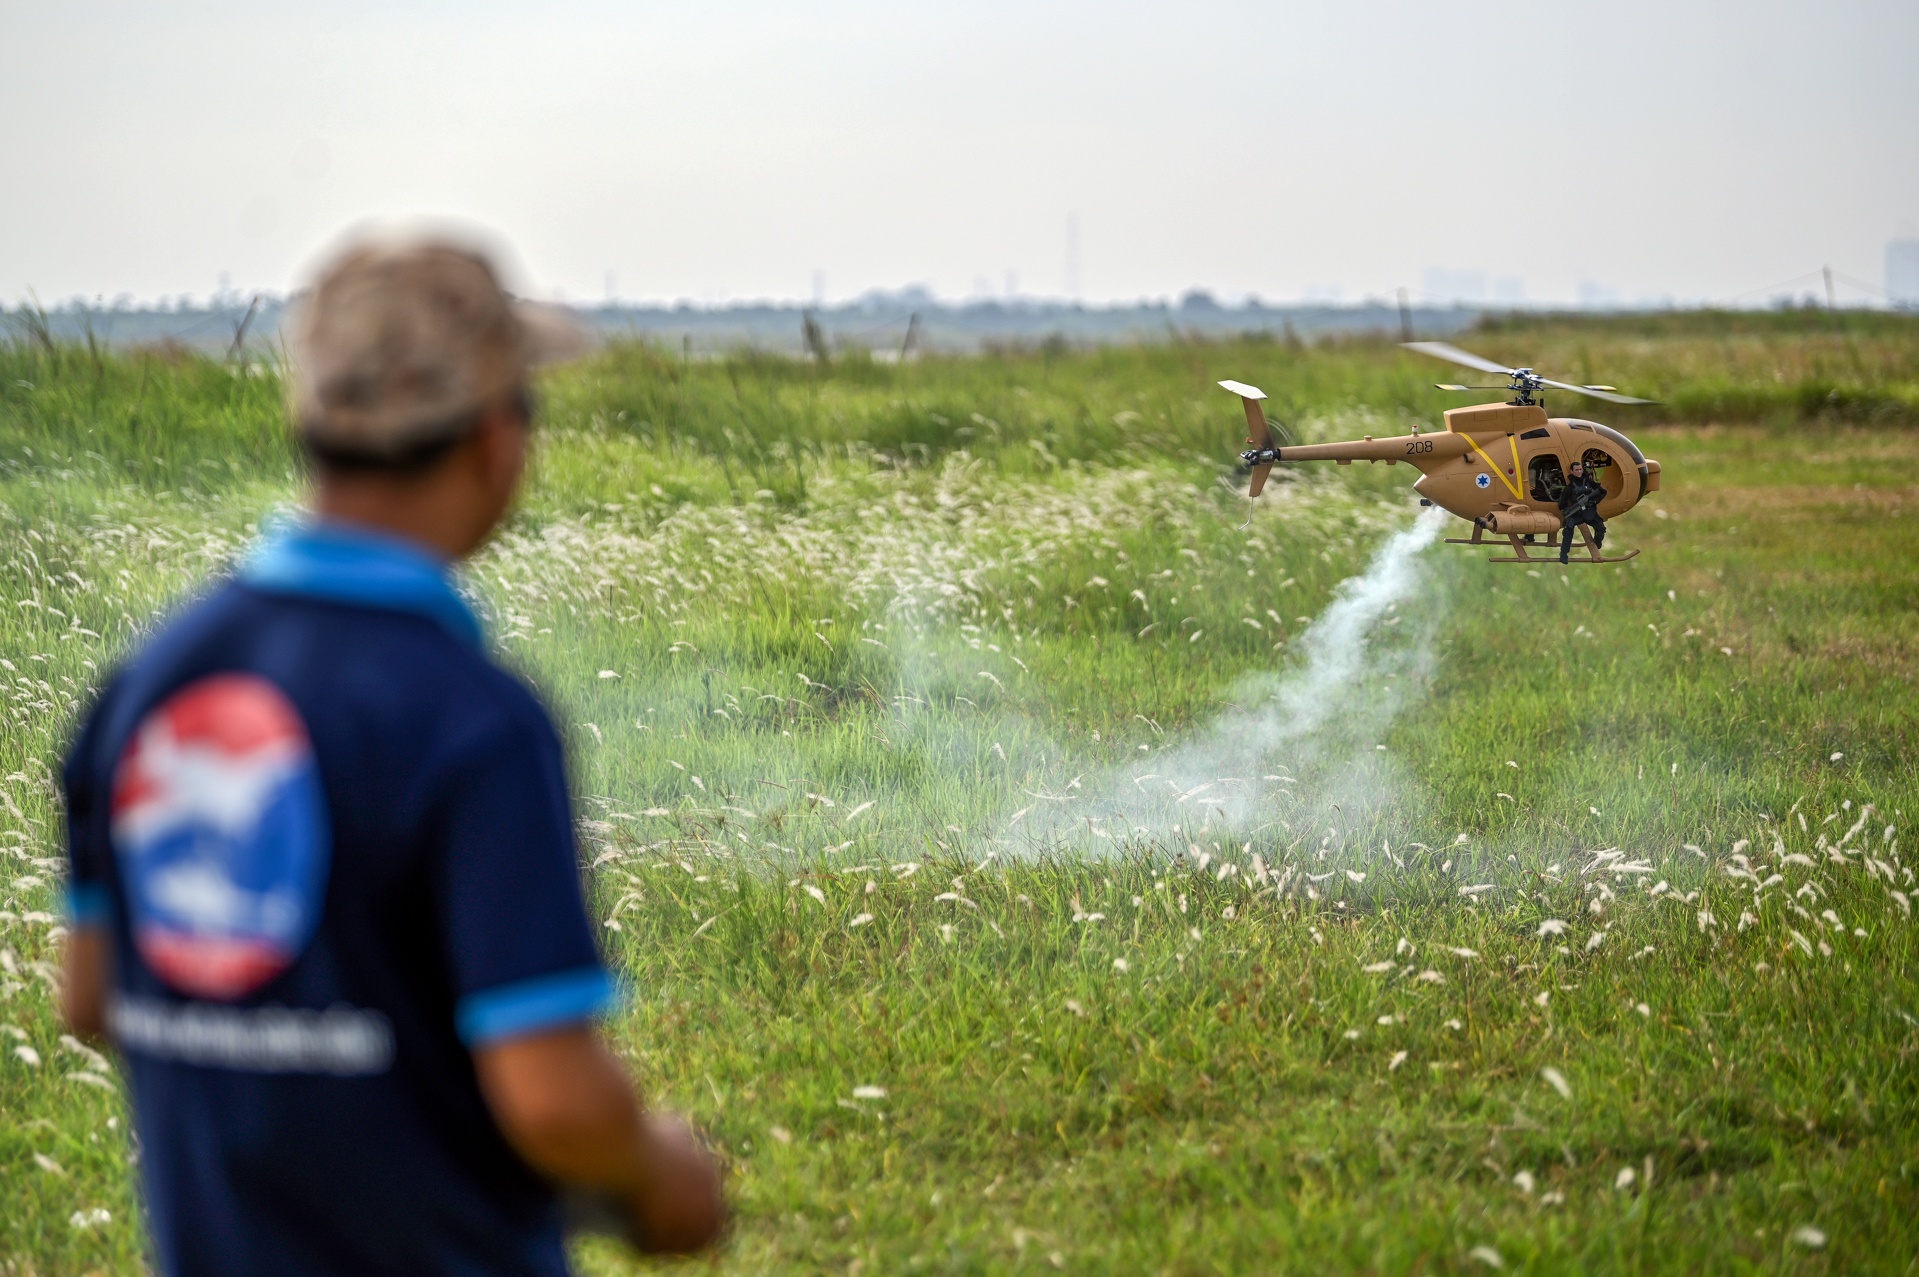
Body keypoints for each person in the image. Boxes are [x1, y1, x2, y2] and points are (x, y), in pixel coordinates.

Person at [60, 237, 724, 1276]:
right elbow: (553, 1100)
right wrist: (656, 1175)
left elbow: (89, 997)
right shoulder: (474, 719)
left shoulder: (147, 682)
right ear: (497, 440)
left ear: (313, 426)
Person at [1557, 458, 1608, 562]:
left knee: (1601, 529)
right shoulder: (1569, 488)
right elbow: (1562, 504)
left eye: (1580, 469)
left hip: (1590, 512)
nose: (1579, 471)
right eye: (1576, 470)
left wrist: (1593, 502)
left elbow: (1602, 491)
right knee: (1568, 530)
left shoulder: (1589, 482)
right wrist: (1568, 511)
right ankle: (1563, 554)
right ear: (1571, 471)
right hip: (1578, 514)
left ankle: (1597, 543)